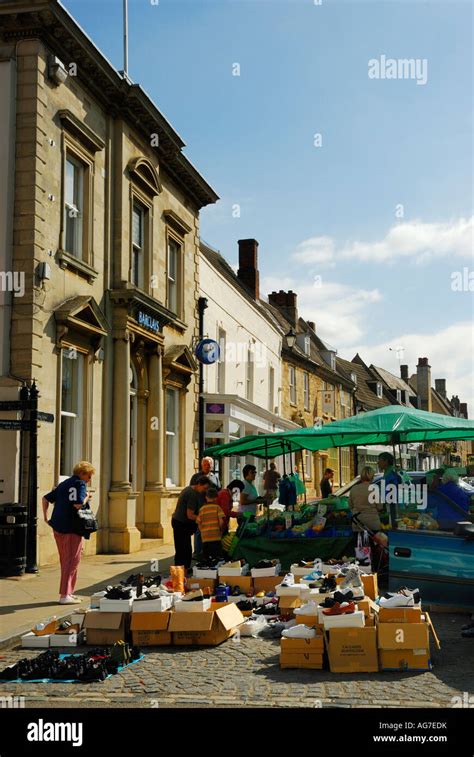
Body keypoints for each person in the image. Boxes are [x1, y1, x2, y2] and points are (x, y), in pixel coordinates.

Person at [42, 460, 95, 605]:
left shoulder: (63, 484)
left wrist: (46, 517)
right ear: (82, 474)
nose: (89, 480)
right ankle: (65, 595)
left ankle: (69, 593)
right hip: (72, 527)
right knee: (72, 561)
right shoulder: (80, 484)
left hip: (58, 526)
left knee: (65, 560)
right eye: (89, 476)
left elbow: (45, 498)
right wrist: (86, 497)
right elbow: (78, 504)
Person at [171, 476, 210, 570]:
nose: (205, 490)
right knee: (183, 549)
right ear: (199, 484)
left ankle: (183, 569)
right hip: (181, 524)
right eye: (204, 488)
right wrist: (201, 519)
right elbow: (190, 515)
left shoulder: (192, 490)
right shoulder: (192, 494)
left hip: (181, 523)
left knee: (185, 549)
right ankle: (180, 571)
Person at [189, 456, 220, 557]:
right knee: (199, 530)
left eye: (209, 464)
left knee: (210, 529)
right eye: (205, 464)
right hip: (199, 508)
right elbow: (192, 491)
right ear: (202, 465)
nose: (207, 466)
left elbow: (218, 491)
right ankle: (198, 552)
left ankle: (207, 551)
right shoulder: (196, 477)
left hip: (212, 508)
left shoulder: (215, 477)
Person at [349, 466, 382, 532]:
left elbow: (350, 505)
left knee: (358, 541)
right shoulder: (374, 489)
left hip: (357, 522)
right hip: (372, 522)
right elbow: (380, 507)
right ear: (372, 477)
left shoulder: (354, 488)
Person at [197, 487, 225, 559]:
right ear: (216, 498)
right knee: (217, 556)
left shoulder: (202, 509)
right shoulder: (217, 508)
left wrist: (202, 531)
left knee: (206, 556)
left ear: (206, 497)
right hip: (216, 536)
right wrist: (220, 530)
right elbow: (221, 521)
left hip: (205, 537)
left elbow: (199, 522)